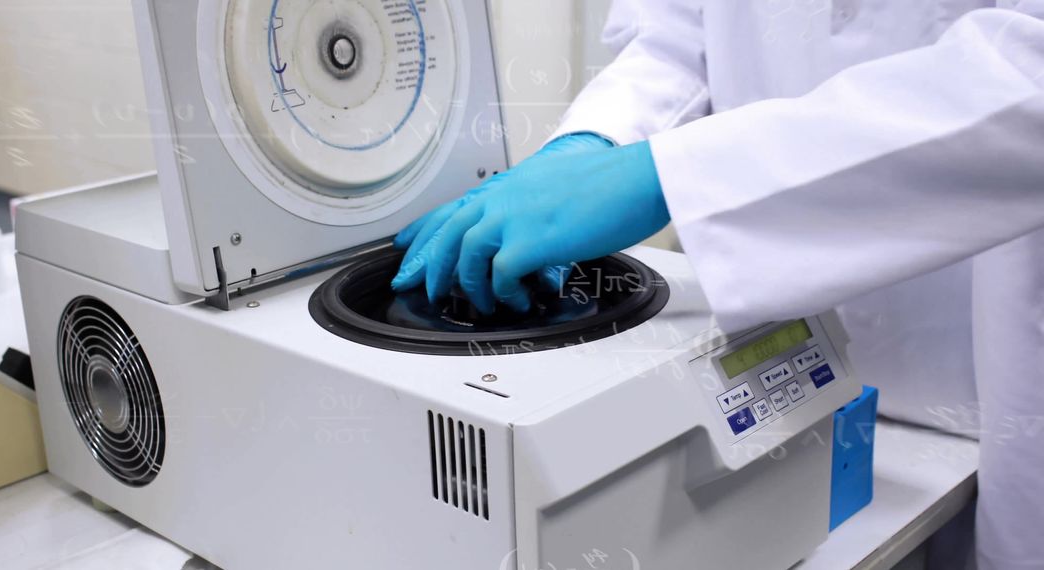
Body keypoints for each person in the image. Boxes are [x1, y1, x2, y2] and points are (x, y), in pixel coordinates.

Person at [392, 2, 1044, 568]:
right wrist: (595, 143)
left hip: (995, 366)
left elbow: (1029, 74)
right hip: (783, 369)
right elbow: (674, 38)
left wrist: (668, 177)